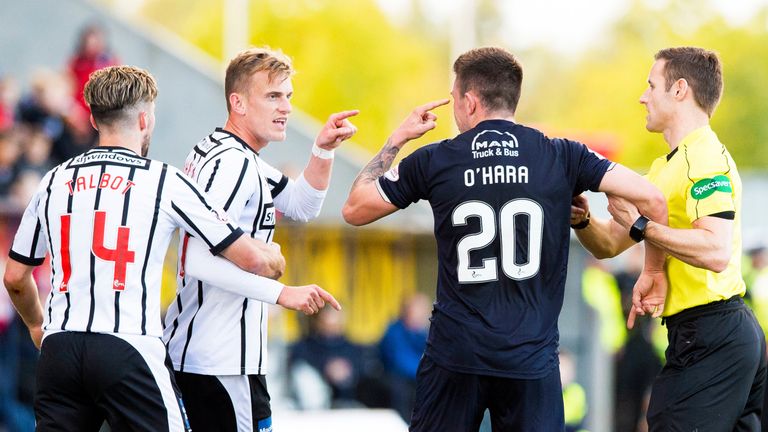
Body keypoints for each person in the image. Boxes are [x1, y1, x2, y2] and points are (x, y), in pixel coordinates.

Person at [342, 46, 668, 431]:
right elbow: (652, 198)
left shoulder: (436, 159)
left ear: (469, 100)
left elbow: (355, 209)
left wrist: (397, 140)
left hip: (456, 354)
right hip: (530, 358)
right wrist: (654, 271)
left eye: (454, 99)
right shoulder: (560, 154)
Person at [1, 65, 290, 432]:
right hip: (130, 347)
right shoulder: (163, 180)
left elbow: (15, 277)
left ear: (92, 118)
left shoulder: (54, 180)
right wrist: (274, 258)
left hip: (61, 349)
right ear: (144, 119)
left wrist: (36, 325)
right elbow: (248, 257)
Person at [571, 46, 767, 431]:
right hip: (701, 335)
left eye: (651, 85)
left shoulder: (706, 158)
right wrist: (582, 221)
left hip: (716, 332)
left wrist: (642, 226)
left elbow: (715, 251)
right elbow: (610, 244)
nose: (643, 96)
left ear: (679, 90)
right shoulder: (665, 167)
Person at [162, 47, 355, 432]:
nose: (285, 107)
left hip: (223, 355)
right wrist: (282, 293)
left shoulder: (234, 154)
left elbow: (302, 205)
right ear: (238, 102)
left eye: (288, 97)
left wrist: (323, 150)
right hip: (219, 358)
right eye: (273, 96)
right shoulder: (231, 162)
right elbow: (197, 261)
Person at [379, 292, 430, 421]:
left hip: (420, 379)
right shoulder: (394, 332)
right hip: (400, 382)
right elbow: (401, 363)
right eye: (419, 308)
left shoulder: (427, 333)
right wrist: (431, 373)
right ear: (406, 310)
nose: (424, 313)